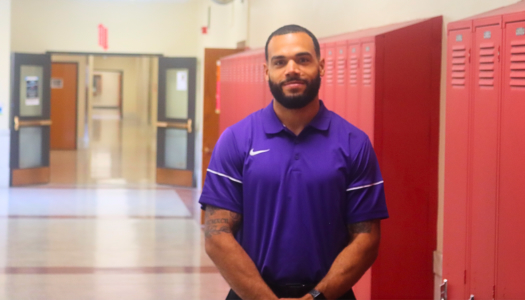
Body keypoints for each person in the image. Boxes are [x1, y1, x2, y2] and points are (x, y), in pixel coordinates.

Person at [199, 24, 389, 300]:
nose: (292, 69)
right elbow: (217, 235)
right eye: (280, 62)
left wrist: (316, 297)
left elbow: (366, 238)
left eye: (303, 59)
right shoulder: (236, 140)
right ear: (266, 71)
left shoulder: (353, 142)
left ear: (321, 66)